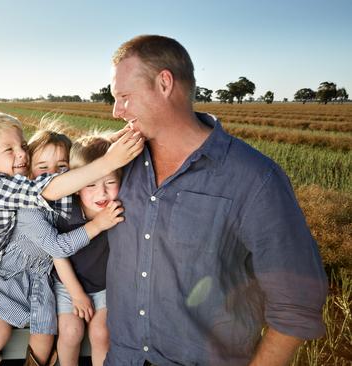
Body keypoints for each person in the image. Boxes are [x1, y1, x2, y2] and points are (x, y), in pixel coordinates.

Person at [105, 34, 328, 365]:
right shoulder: (117, 164)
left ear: (164, 83)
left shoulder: (254, 179)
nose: (115, 111)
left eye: (124, 96)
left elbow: (296, 303)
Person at [0, 112, 142, 365]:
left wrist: (107, 143)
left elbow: (71, 163)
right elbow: (51, 186)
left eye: (22, 146)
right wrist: (108, 162)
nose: (21, 153)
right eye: (9, 149)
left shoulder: (24, 192)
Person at [0, 129, 132, 366]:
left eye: (61, 168)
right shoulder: (32, 209)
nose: (52, 176)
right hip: (15, 281)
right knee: (1, 333)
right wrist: (98, 225)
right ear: (29, 171)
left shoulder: (71, 202)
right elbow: (58, 249)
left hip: (45, 284)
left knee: (48, 336)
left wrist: (116, 138)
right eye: (43, 168)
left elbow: (91, 156)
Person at [54, 135, 119, 366]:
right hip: (68, 285)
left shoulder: (119, 210)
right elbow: (58, 254)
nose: (101, 193)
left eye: (110, 183)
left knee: (102, 333)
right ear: (76, 187)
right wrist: (77, 295)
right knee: (71, 332)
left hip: (104, 286)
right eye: (90, 184)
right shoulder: (66, 213)